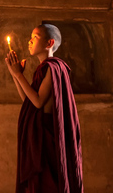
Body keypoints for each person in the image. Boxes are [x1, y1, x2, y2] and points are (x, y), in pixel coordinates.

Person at [6, 24, 83, 192]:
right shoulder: (44, 69)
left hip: (47, 139)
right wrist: (15, 75)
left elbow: (39, 102)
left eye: (35, 37)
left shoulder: (53, 67)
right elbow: (29, 101)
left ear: (49, 43)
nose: (30, 41)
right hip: (41, 137)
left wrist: (19, 74)